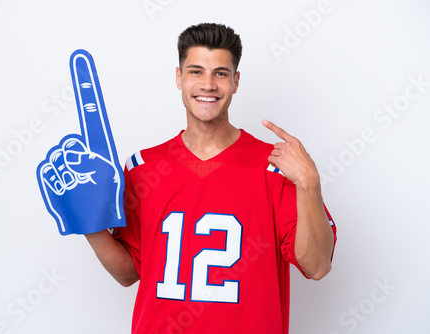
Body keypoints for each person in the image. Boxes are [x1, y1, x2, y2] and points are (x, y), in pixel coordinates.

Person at [84, 23, 337, 334]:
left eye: (220, 73)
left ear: (235, 81)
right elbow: (128, 274)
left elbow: (317, 266)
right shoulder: (143, 167)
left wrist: (309, 184)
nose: (208, 84)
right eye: (195, 71)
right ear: (178, 77)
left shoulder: (274, 167)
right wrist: (89, 225)